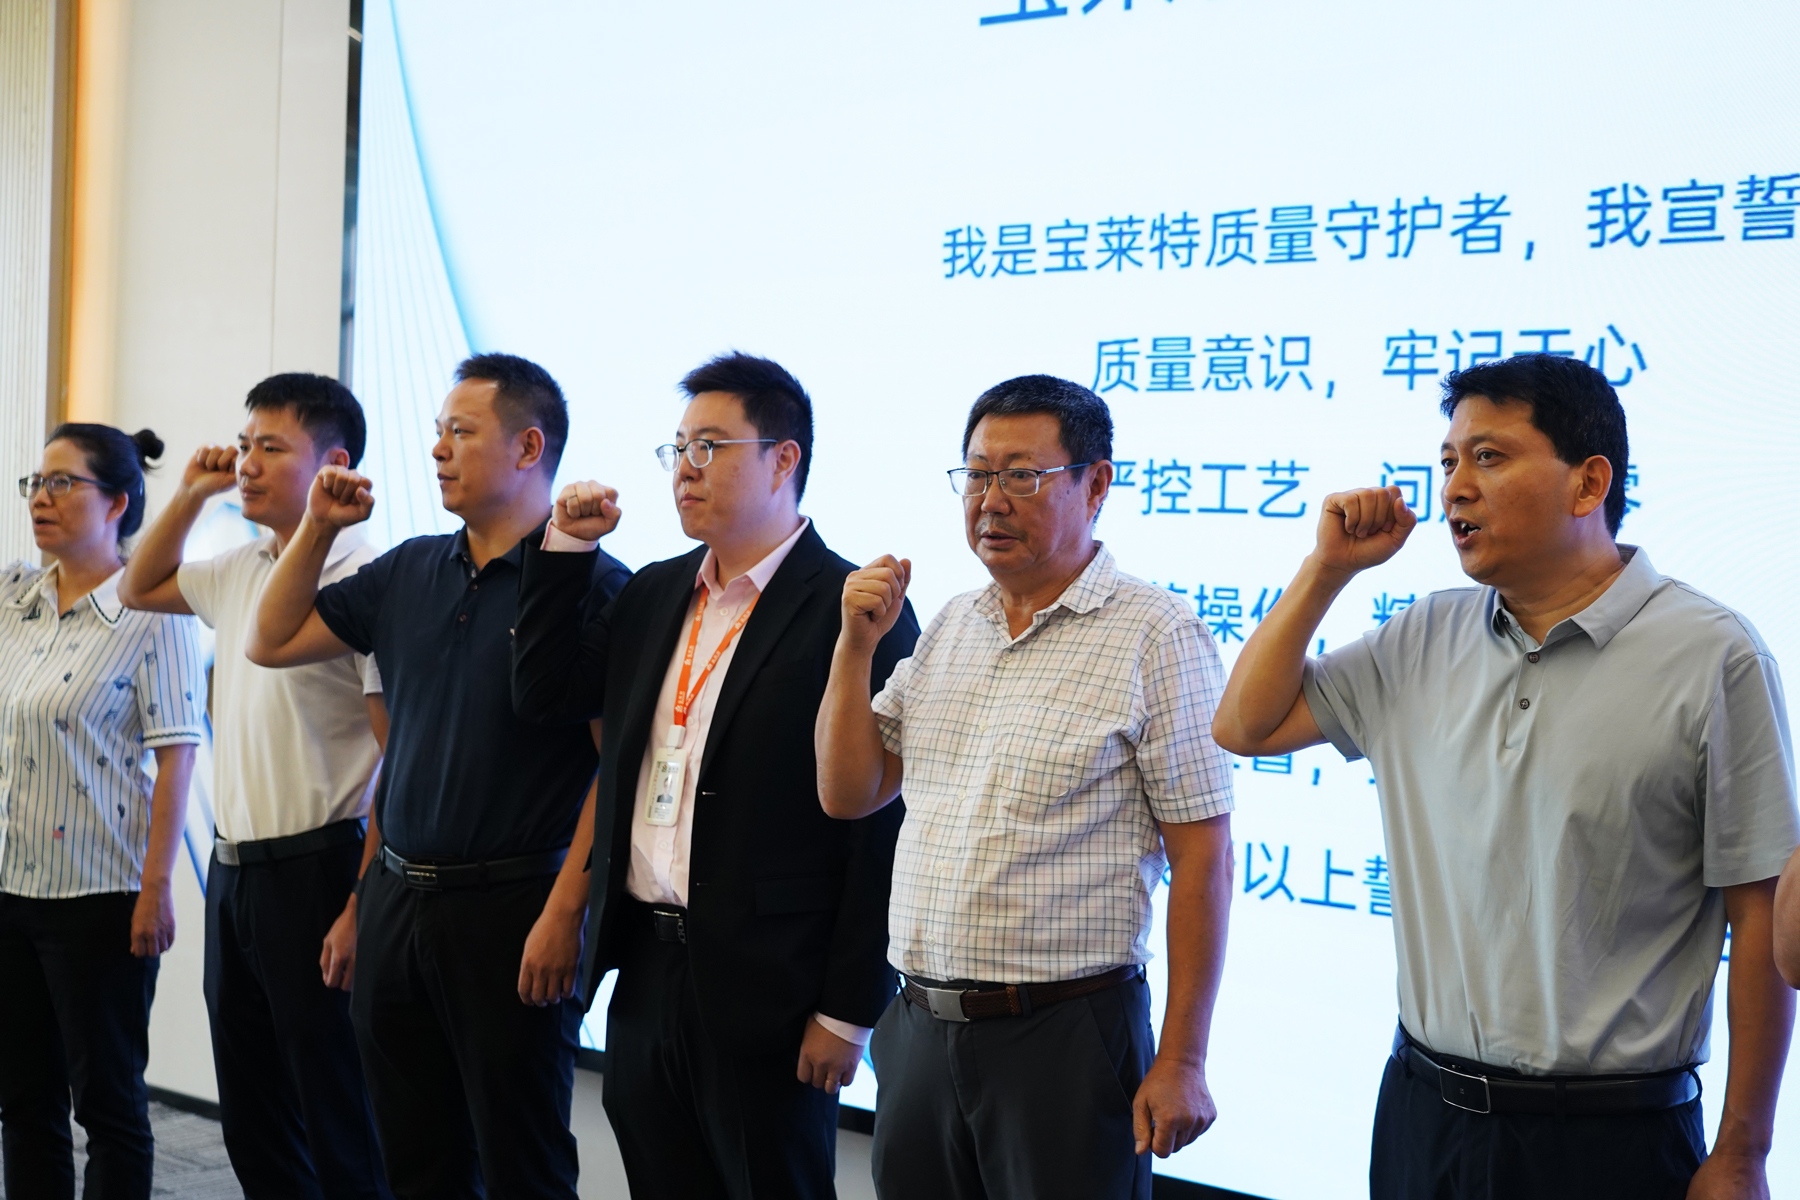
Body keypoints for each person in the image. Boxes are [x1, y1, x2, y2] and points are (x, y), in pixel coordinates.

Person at [1211, 353, 1798, 1200]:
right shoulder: (1423, 635)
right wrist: (1327, 570)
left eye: (1489, 457)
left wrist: (1744, 1150)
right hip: (1423, 1116)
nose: (1455, 488)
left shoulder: (1714, 655)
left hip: (1609, 1138)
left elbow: (1762, 915)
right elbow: (1245, 726)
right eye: (1449, 460)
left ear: (1588, 483)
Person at [814, 375, 1234, 1200]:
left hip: (1064, 1035)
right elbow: (849, 792)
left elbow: (1205, 858)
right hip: (920, 1028)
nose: (990, 500)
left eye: (1021, 475)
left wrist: (1184, 1058)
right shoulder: (951, 624)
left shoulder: (1157, 633)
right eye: (976, 475)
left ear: (1096, 484)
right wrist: (854, 647)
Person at [512, 352, 918, 1199]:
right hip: (647, 967)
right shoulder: (654, 593)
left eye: (711, 446)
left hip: (774, 987)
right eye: (679, 448)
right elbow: (544, 694)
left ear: (783, 459)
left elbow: (882, 828)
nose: (685, 468)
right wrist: (566, 550)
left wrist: (848, 1010)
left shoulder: (852, 605)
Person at [246, 354, 629, 1199]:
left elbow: (619, 771)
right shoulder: (411, 569)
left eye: (461, 431)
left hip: (514, 908)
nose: (438, 449)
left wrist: (566, 913)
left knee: (521, 1162)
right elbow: (268, 640)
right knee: (412, 1160)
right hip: (397, 899)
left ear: (529, 447)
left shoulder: (593, 584)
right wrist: (317, 529)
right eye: (436, 431)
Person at [118, 374, 390, 1199]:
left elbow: (399, 755)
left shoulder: (366, 577)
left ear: (333, 463)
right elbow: (138, 586)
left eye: (271, 447)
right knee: (253, 1115)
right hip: (235, 872)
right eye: (244, 445)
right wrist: (192, 493)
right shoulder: (243, 564)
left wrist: (360, 903)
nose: (247, 463)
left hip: (323, 866)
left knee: (335, 1111)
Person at [0, 425, 206, 1200]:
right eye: (35, 483)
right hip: (10, 887)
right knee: (24, 1101)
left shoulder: (154, 612)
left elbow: (177, 757)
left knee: (109, 1106)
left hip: (100, 896)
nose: (41, 498)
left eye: (63, 483)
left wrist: (157, 889)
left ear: (118, 502)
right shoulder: (13, 599)